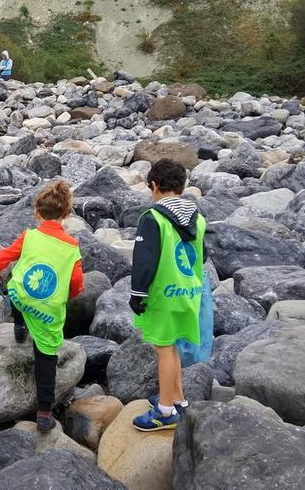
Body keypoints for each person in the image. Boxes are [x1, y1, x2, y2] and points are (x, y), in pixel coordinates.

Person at [0, 180, 84, 433]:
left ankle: (19, 324)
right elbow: (76, 283)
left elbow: (1, 259)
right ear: (66, 215)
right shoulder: (72, 248)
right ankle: (44, 411)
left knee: (15, 285)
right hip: (47, 309)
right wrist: (68, 295)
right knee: (46, 356)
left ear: (37, 213)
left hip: (22, 297)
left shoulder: (29, 236)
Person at [129, 159, 206, 431]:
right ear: (182, 186)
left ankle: (164, 411)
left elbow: (145, 261)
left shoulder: (153, 218)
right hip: (189, 292)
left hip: (163, 295)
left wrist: (137, 294)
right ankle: (177, 399)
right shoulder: (197, 217)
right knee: (172, 346)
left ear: (154, 186)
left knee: (163, 349)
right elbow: (203, 255)